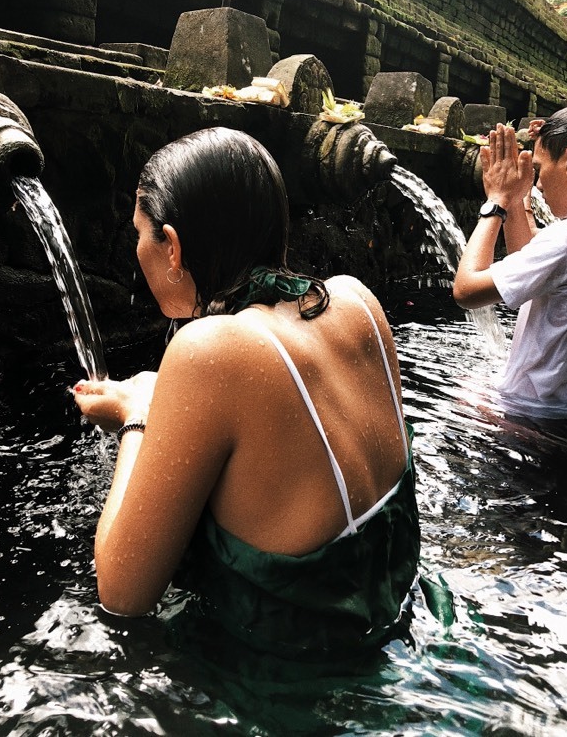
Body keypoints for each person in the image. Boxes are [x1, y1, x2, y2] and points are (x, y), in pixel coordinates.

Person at [73, 126, 419, 661]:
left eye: (139, 233)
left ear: (173, 247)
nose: (134, 248)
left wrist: (140, 417)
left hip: (289, 686)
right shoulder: (358, 303)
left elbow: (121, 594)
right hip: (404, 630)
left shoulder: (206, 350)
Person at [453, 104, 567, 420]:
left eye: (539, 168)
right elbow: (535, 269)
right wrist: (521, 200)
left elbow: (466, 291)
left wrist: (496, 202)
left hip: (527, 416)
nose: (538, 183)